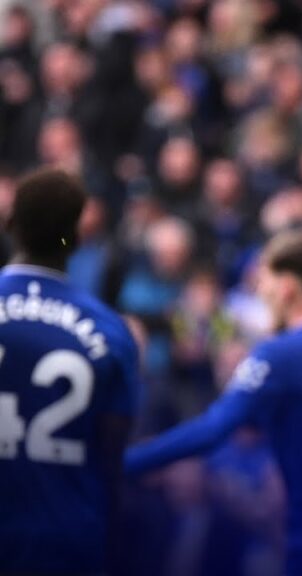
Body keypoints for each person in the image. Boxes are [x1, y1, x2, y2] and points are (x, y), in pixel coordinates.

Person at [124, 226, 302, 575]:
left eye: (264, 281)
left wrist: (121, 462)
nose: (261, 293)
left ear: (287, 287)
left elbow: (212, 429)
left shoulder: (279, 355)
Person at [0, 168, 141, 573]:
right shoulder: (111, 329)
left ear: (10, 224)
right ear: (77, 239)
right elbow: (112, 457)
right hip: (68, 538)